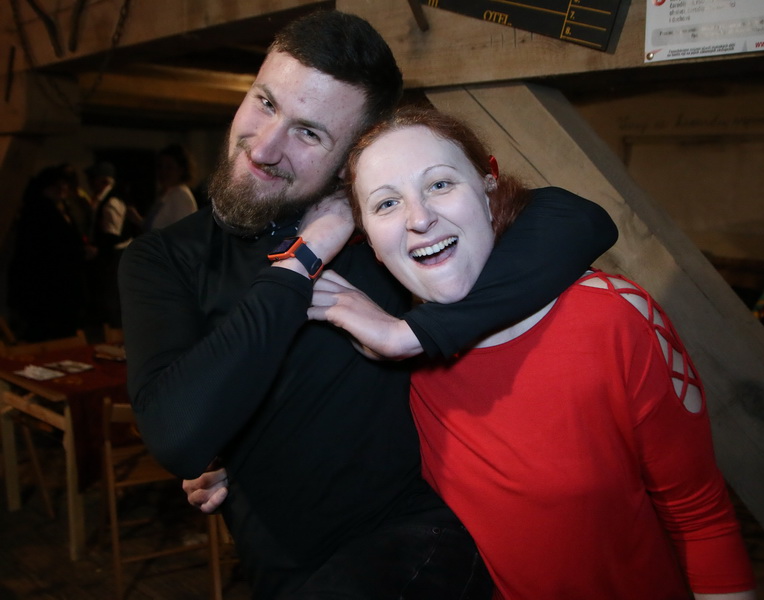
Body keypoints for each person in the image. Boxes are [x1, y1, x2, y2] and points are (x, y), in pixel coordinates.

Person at [119, 10, 617, 599]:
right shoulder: (164, 259)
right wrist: (302, 260)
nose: (266, 146)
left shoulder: (386, 231)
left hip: (424, 545)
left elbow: (578, 219)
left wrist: (411, 335)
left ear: (350, 156)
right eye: (265, 102)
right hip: (283, 570)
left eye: (310, 133)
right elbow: (177, 434)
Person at [301, 106, 758, 599]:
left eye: (440, 184)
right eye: (387, 203)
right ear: (368, 239)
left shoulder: (611, 318)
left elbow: (700, 517)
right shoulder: (384, 359)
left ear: (488, 186)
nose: (419, 218)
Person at [7, 165, 88, 341]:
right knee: (50, 330)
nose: (63, 189)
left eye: (65, 184)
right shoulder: (39, 211)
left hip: (62, 281)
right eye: (59, 185)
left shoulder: (62, 208)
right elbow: (40, 249)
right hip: (48, 283)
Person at [84, 161, 133, 328]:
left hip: (116, 256)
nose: (90, 183)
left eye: (93, 178)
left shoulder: (112, 201)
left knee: (111, 298)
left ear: (104, 181)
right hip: (113, 255)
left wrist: (97, 250)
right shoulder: (104, 200)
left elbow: (112, 235)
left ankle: (114, 333)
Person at [128, 143, 199, 231]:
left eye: (169, 167)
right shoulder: (167, 194)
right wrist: (137, 220)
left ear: (181, 170)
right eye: (160, 166)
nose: (163, 172)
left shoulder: (180, 195)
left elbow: (182, 233)